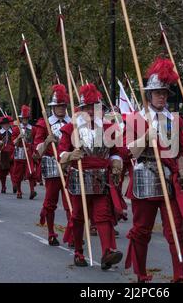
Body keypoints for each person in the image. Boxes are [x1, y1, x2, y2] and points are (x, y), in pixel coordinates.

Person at [124, 57, 183, 282]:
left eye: (164, 92)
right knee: (142, 230)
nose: (162, 96)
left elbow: (182, 150)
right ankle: (141, 274)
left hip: (170, 178)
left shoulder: (175, 120)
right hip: (145, 176)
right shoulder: (136, 119)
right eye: (157, 93)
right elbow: (129, 152)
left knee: (176, 230)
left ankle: (179, 275)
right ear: (149, 95)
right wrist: (146, 137)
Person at [58, 83, 125, 270]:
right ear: (81, 110)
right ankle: (78, 252)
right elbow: (61, 153)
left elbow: (115, 151)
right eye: (87, 108)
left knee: (103, 216)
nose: (91, 111)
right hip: (79, 175)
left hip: (102, 176)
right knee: (78, 216)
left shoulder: (108, 128)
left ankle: (106, 252)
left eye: (94, 107)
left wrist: (116, 160)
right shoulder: (71, 128)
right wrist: (70, 156)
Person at [35, 84, 72, 246]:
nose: (61, 109)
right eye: (59, 106)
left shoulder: (73, 122)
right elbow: (37, 150)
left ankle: (73, 235)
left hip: (70, 165)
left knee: (72, 203)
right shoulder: (45, 124)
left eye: (64, 105)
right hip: (52, 164)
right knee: (51, 202)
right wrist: (46, 141)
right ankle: (51, 232)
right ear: (53, 107)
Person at [11, 105, 37, 199]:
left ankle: (32, 191)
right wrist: (18, 137)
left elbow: (35, 141)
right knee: (18, 174)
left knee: (30, 172)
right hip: (19, 152)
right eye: (23, 118)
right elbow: (13, 142)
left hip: (29, 152)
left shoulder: (33, 129)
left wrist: (34, 151)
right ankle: (18, 191)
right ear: (21, 119)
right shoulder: (16, 129)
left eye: (26, 118)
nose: (25, 120)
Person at [0, 115, 14, 194]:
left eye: (7, 123)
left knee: (13, 170)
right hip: (3, 154)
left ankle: (15, 185)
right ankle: (3, 186)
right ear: (2, 125)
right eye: (4, 124)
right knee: (3, 171)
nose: (6, 125)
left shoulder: (13, 132)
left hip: (12, 153)